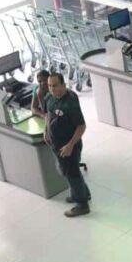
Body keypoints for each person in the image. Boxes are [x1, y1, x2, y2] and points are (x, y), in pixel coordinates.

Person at [43, 72, 91, 217]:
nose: (52, 89)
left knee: (71, 173)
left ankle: (82, 204)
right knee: (67, 171)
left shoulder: (70, 101)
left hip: (69, 146)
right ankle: (83, 192)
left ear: (63, 85)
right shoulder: (49, 97)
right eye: (50, 85)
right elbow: (48, 115)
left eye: (55, 85)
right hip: (56, 143)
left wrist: (70, 145)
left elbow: (81, 126)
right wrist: (46, 130)